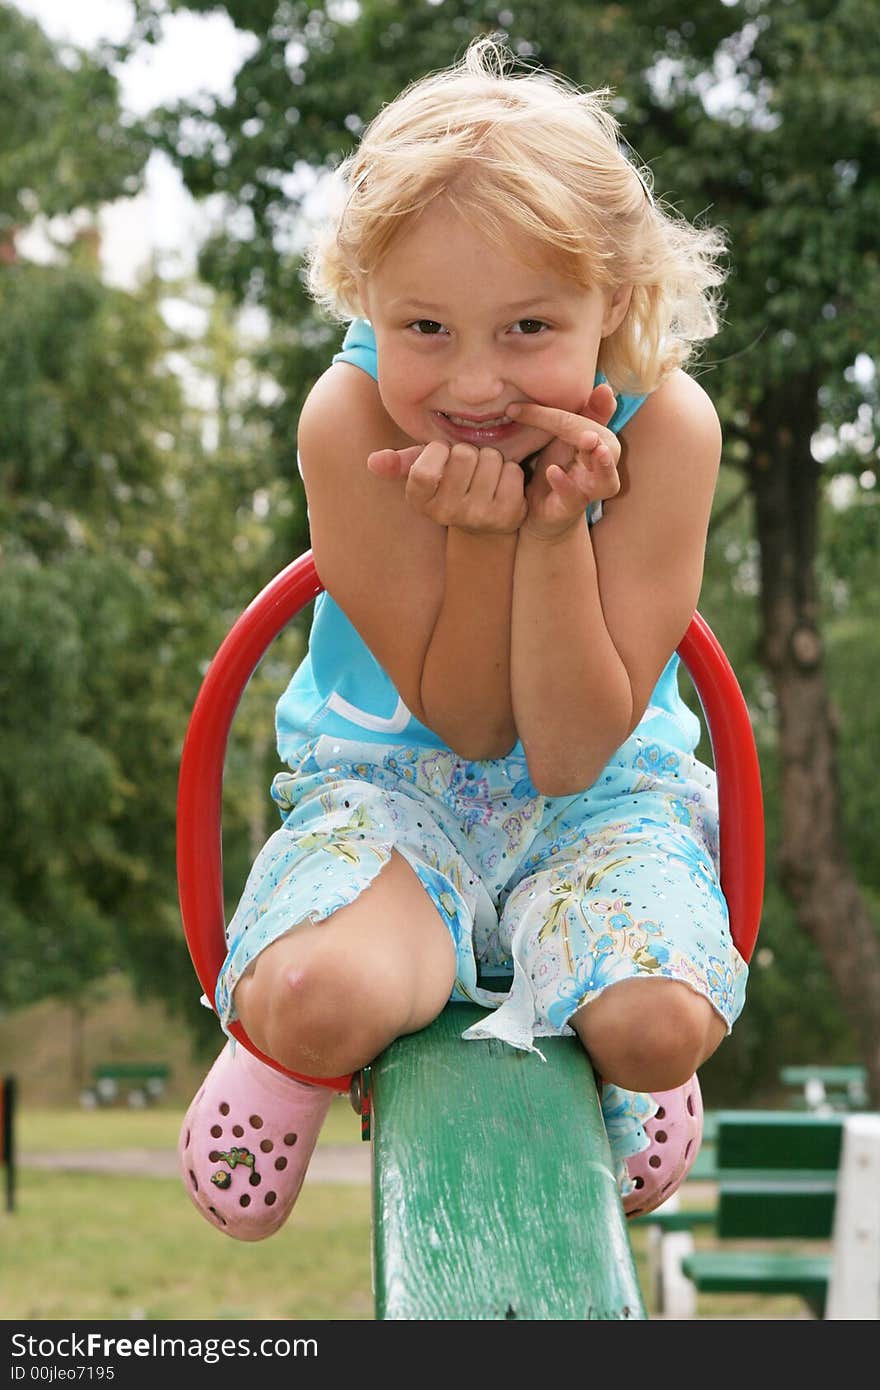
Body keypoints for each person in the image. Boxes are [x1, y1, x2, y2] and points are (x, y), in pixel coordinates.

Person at [178, 36, 747, 1242]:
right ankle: (290, 1050)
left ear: (615, 300)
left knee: (656, 1024)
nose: (475, 384)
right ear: (367, 301)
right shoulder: (347, 419)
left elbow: (566, 752)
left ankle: (604, 994)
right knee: (321, 994)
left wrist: (551, 538)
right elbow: (474, 724)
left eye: (529, 325)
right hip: (390, 789)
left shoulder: (670, 427)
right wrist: (486, 539)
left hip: (597, 796)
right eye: (424, 327)